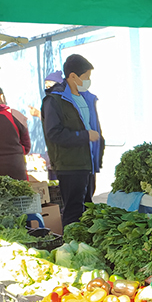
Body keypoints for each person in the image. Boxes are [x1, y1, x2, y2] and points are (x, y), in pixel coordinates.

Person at [41, 55, 104, 227]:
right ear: (73, 76)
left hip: (88, 164)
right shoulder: (54, 101)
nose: (88, 81)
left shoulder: (87, 98)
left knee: (87, 209)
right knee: (73, 211)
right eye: (86, 77)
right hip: (70, 165)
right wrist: (85, 136)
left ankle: (85, 246)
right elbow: (54, 134)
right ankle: (70, 246)